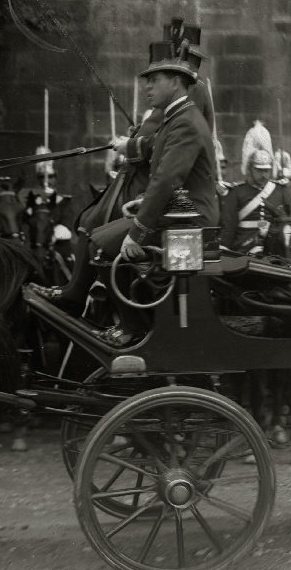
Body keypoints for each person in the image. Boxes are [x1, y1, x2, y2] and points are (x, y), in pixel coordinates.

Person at [35, 37, 217, 347]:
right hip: (177, 214)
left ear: (175, 81)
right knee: (100, 234)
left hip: (190, 222)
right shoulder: (177, 118)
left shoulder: (184, 122)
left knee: (102, 243)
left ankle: (133, 328)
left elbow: (166, 181)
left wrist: (138, 231)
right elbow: (166, 177)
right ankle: (126, 320)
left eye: (154, 80)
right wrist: (143, 202)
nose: (147, 86)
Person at [218, 121, 291, 254]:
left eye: (266, 170)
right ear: (250, 168)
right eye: (259, 170)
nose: (264, 175)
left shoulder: (280, 190)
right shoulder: (236, 192)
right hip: (244, 248)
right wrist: (224, 248)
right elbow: (228, 226)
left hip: (274, 249)